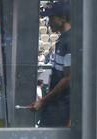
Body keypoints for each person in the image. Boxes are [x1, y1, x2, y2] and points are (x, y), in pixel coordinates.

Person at [29, 2, 71, 130]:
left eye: (51, 18)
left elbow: (68, 78)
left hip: (61, 105)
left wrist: (43, 101)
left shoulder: (70, 41)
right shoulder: (64, 39)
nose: (48, 22)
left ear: (62, 18)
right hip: (57, 103)